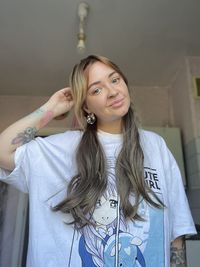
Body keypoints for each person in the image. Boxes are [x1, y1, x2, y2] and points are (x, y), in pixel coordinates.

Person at [0, 55, 196, 267]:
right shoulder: (63, 148)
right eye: (96, 90)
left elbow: (177, 230)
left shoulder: (155, 145)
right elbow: (3, 151)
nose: (112, 91)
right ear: (86, 107)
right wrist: (51, 108)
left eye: (114, 79)